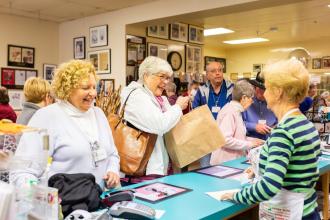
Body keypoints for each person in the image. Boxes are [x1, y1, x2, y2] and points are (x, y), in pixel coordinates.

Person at [220, 59, 321, 220]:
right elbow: (295, 167)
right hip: (308, 211)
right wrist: (259, 169)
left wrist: (237, 196)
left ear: (278, 91)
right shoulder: (305, 125)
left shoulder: (283, 131)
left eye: (266, 88)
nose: (263, 93)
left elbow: (269, 186)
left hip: (289, 214)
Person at [10, 60, 120, 188]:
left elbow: (112, 154)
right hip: (64, 203)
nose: (93, 93)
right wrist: (43, 198)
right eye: (85, 88)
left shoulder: (98, 114)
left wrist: (112, 170)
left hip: (99, 199)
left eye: (94, 87)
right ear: (67, 89)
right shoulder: (47, 117)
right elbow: (23, 172)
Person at [120, 56, 189, 180]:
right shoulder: (137, 96)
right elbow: (160, 125)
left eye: (168, 78)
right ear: (146, 76)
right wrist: (178, 107)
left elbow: (171, 123)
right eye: (162, 76)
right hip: (142, 168)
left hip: (159, 163)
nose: (166, 82)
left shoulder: (159, 98)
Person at [210, 80, 264, 165]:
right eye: (251, 98)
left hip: (231, 162)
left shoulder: (236, 111)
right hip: (224, 162)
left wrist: (254, 140)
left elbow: (237, 136)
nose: (252, 102)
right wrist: (250, 144)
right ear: (244, 98)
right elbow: (225, 140)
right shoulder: (230, 112)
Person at [192, 61, 233, 167]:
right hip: (207, 138)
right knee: (206, 170)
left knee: (226, 169)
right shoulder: (201, 91)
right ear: (207, 75)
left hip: (226, 138)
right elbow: (195, 112)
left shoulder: (232, 89)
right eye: (214, 71)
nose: (218, 73)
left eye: (220, 70)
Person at [243, 72, 277, 140]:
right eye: (259, 88)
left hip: (271, 141)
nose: (261, 92)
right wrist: (254, 127)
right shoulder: (245, 101)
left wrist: (274, 128)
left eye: (264, 90)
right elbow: (239, 123)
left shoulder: (275, 102)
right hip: (250, 142)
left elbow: (280, 121)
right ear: (254, 87)